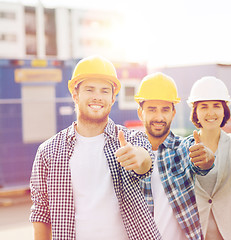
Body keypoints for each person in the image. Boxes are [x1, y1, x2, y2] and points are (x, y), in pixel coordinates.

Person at [29, 55, 161, 240]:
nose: (97, 97)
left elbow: (145, 163)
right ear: (75, 94)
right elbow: (41, 212)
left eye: (105, 91)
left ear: (113, 98)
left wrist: (138, 158)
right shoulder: (48, 152)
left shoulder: (131, 139)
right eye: (90, 89)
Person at [135, 72, 215, 240]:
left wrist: (206, 159)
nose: (159, 117)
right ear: (140, 112)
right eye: (152, 109)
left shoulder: (184, 148)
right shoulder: (131, 153)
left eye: (165, 110)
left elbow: (200, 162)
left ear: (173, 113)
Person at [185, 76, 231, 240]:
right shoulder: (185, 147)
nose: (210, 113)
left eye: (216, 106)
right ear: (196, 112)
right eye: (203, 107)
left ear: (225, 110)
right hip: (198, 232)